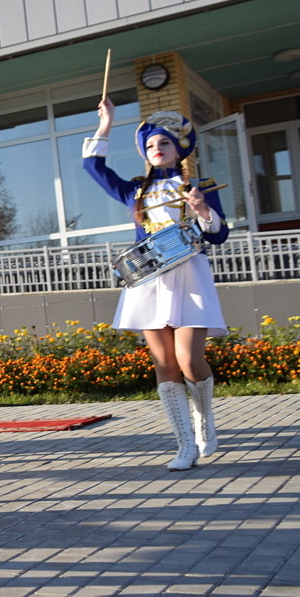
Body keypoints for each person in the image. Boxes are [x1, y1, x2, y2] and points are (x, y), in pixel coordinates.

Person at [85, 101, 228, 469]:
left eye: (164, 142)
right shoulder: (135, 190)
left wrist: (202, 210)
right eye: (150, 145)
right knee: (164, 363)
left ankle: (204, 420)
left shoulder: (200, 186)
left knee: (189, 359)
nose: (157, 149)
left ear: (179, 148)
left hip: (189, 276)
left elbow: (218, 235)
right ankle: (184, 445)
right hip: (148, 278)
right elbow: (93, 167)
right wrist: (106, 124)